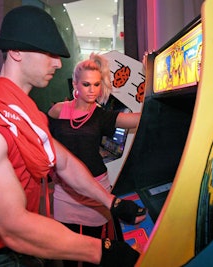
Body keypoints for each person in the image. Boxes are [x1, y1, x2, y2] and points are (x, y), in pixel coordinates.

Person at [0, 5, 146, 267]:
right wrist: (103, 251)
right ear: (16, 52)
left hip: (22, 249)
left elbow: (63, 163)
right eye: (48, 53)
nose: (57, 63)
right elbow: (14, 227)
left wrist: (113, 202)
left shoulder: (23, 110)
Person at [47, 53, 141, 267]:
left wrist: (157, 91)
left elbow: (136, 119)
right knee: (67, 249)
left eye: (97, 84)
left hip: (95, 189)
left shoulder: (101, 116)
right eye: (86, 84)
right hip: (65, 191)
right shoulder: (58, 110)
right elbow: (42, 134)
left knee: (94, 252)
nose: (92, 89)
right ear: (76, 85)